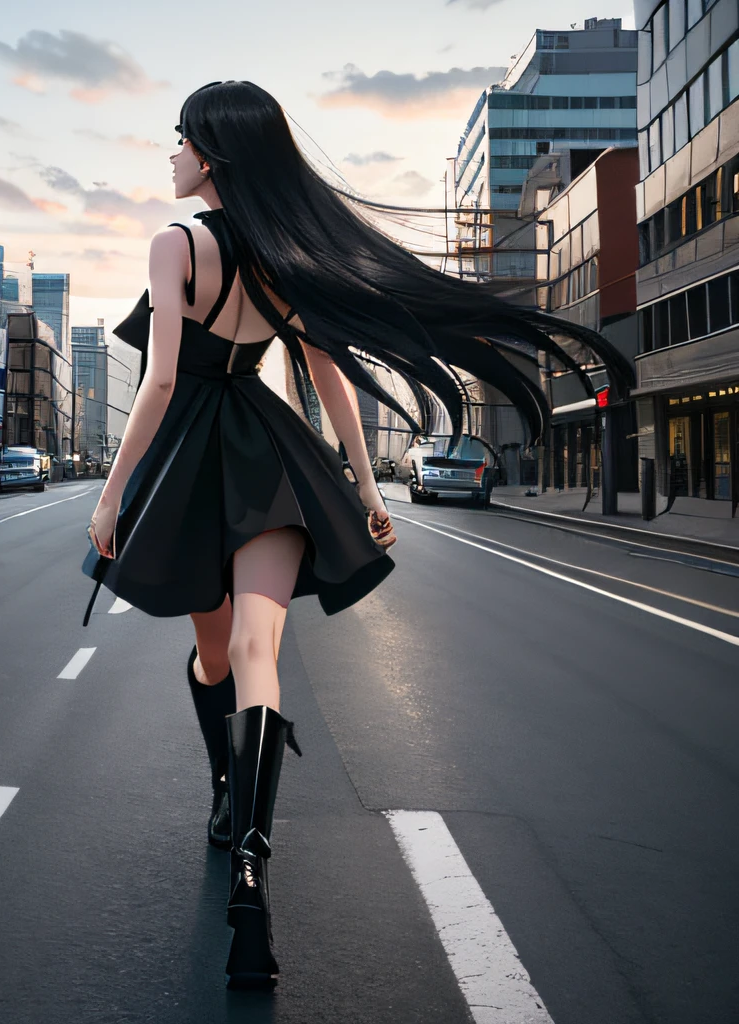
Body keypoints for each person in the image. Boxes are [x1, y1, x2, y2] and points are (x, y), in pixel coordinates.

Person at [82, 80, 633, 989]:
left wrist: (111, 497)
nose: (170, 154)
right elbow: (330, 379)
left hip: (192, 466)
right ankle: (250, 876)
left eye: (179, 140)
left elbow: (163, 383)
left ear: (213, 154)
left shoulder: (173, 244)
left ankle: (227, 800)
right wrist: (365, 484)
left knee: (212, 660)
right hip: (272, 459)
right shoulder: (290, 256)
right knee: (257, 655)